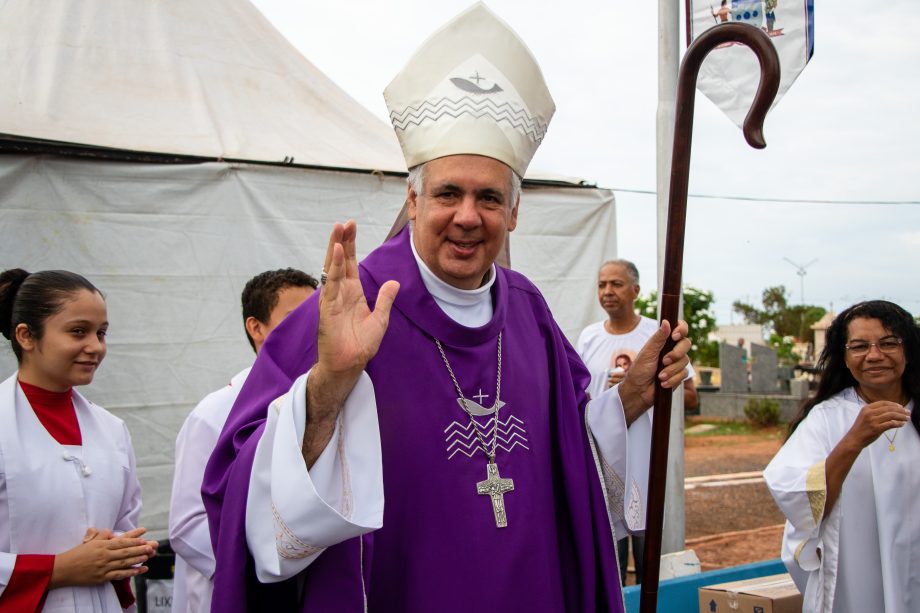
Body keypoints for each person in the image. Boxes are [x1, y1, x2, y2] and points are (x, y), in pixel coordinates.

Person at [203, 5, 691, 612]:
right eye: (447, 194)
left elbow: (569, 459)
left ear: (513, 214)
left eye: (489, 197)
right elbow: (235, 487)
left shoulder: (529, 314)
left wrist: (630, 399)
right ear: (413, 200)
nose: (467, 216)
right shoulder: (347, 307)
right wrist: (328, 386)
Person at [0, 269, 157, 611]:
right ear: (26, 336)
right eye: (78, 332)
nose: (95, 347)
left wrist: (121, 549)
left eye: (101, 333)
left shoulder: (112, 430)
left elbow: (124, 524)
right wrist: (56, 570)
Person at [169, 269, 317, 612]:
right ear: (256, 327)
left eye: (317, 316)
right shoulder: (214, 413)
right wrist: (270, 554)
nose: (310, 330)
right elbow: (188, 526)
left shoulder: (324, 405)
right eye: (295, 319)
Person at [764, 300, 920, 612]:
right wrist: (853, 440)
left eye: (888, 343)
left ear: (909, 350)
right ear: (845, 357)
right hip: (856, 574)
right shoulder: (826, 418)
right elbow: (795, 496)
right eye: (859, 346)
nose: (874, 355)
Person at [575, 259, 698, 585]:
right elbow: (577, 399)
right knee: (610, 569)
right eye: (602, 285)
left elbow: (690, 397)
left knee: (650, 573)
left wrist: (639, 390)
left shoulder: (655, 335)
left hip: (647, 465)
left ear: (636, 290)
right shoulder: (588, 338)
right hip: (604, 467)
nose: (607, 292)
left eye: (615, 284)